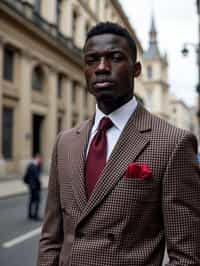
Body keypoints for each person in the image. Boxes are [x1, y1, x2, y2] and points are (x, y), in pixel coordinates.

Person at [37, 22, 200, 265]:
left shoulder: (173, 143)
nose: (101, 67)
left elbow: (187, 256)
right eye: (92, 60)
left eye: (114, 58)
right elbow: (51, 238)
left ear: (136, 69)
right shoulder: (65, 142)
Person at [25, 153, 42, 221]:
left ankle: (30, 214)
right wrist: (39, 184)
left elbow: (26, 176)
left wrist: (29, 183)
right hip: (35, 186)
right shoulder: (34, 165)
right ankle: (35, 215)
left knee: (31, 200)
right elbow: (36, 177)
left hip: (31, 186)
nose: (40, 160)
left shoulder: (30, 165)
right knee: (37, 200)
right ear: (36, 158)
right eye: (39, 158)